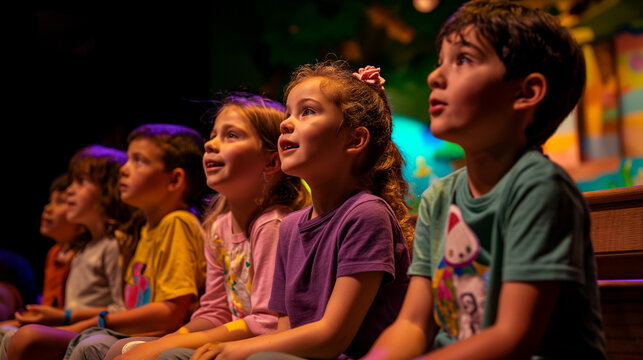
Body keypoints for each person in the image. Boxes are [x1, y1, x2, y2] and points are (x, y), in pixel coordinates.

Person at [363, 1, 606, 359]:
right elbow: (413, 324)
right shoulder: (440, 197)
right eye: (440, 61)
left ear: (526, 92)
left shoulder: (539, 187)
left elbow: (513, 337)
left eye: (462, 60)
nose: (435, 77)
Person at [190, 60, 412, 360]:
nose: (286, 123)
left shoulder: (366, 215)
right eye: (288, 113)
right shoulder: (291, 226)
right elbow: (285, 332)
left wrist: (232, 350)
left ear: (355, 139)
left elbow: (332, 338)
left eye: (307, 111)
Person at [106, 93, 310, 360]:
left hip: (262, 348)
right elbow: (214, 311)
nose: (211, 144)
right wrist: (172, 338)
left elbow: (267, 322)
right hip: (232, 337)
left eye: (231, 135)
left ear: (271, 162)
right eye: (213, 135)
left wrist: (163, 346)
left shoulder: (273, 225)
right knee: (119, 349)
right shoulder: (218, 227)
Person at [7, 125, 208, 360]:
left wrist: (89, 322)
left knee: (39, 340)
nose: (125, 169)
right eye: (128, 159)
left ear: (174, 180)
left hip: (161, 334)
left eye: (139, 160)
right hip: (136, 330)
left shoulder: (177, 223)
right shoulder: (147, 229)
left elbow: (171, 313)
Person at [3, 145, 132, 360]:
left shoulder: (114, 244)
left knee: (26, 338)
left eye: (80, 182)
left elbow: (122, 308)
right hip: (76, 326)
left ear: (108, 191)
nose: (70, 190)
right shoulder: (83, 248)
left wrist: (65, 317)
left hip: (95, 331)